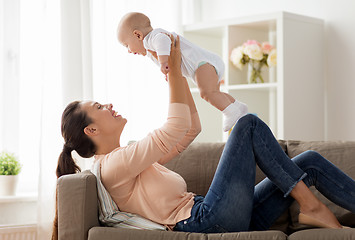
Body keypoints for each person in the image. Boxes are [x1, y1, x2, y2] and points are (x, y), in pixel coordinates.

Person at [52, 35, 354, 239]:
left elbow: (188, 131)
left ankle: (311, 208)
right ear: (90, 130)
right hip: (207, 219)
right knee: (246, 124)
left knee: (310, 162)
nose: (109, 106)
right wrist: (169, 65)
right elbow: (174, 127)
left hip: (221, 215)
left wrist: (179, 70)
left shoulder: (131, 158)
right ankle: (311, 207)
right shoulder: (113, 166)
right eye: (100, 107)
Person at [116, 12, 248, 132]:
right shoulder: (150, 49)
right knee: (214, 93)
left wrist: (164, 63)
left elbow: (163, 41)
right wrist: (168, 72)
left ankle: (229, 112)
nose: (128, 50)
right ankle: (237, 106)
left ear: (137, 35)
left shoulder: (151, 38)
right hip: (202, 65)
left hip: (202, 63)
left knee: (206, 93)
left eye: (126, 45)